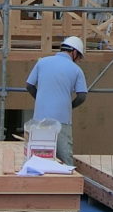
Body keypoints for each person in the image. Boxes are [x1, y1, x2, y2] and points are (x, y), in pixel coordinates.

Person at [25, 36, 89, 165]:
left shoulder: (42, 62)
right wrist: (69, 106)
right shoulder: (76, 70)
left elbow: (29, 86)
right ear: (74, 52)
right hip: (62, 120)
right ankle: (68, 184)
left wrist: (41, 100)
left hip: (39, 119)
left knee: (38, 158)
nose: (78, 60)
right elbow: (82, 96)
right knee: (65, 159)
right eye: (79, 57)